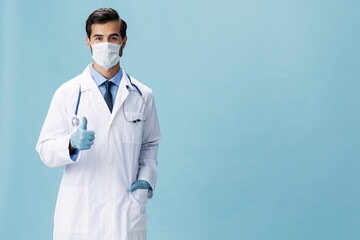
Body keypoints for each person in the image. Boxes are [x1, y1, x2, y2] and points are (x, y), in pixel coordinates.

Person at [35, 8, 161, 240]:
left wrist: (145, 180)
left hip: (126, 214)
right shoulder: (68, 93)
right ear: (88, 42)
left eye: (113, 38)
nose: (106, 45)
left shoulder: (143, 95)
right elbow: (44, 149)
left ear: (123, 42)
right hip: (79, 216)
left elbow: (150, 144)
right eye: (98, 38)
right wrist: (70, 144)